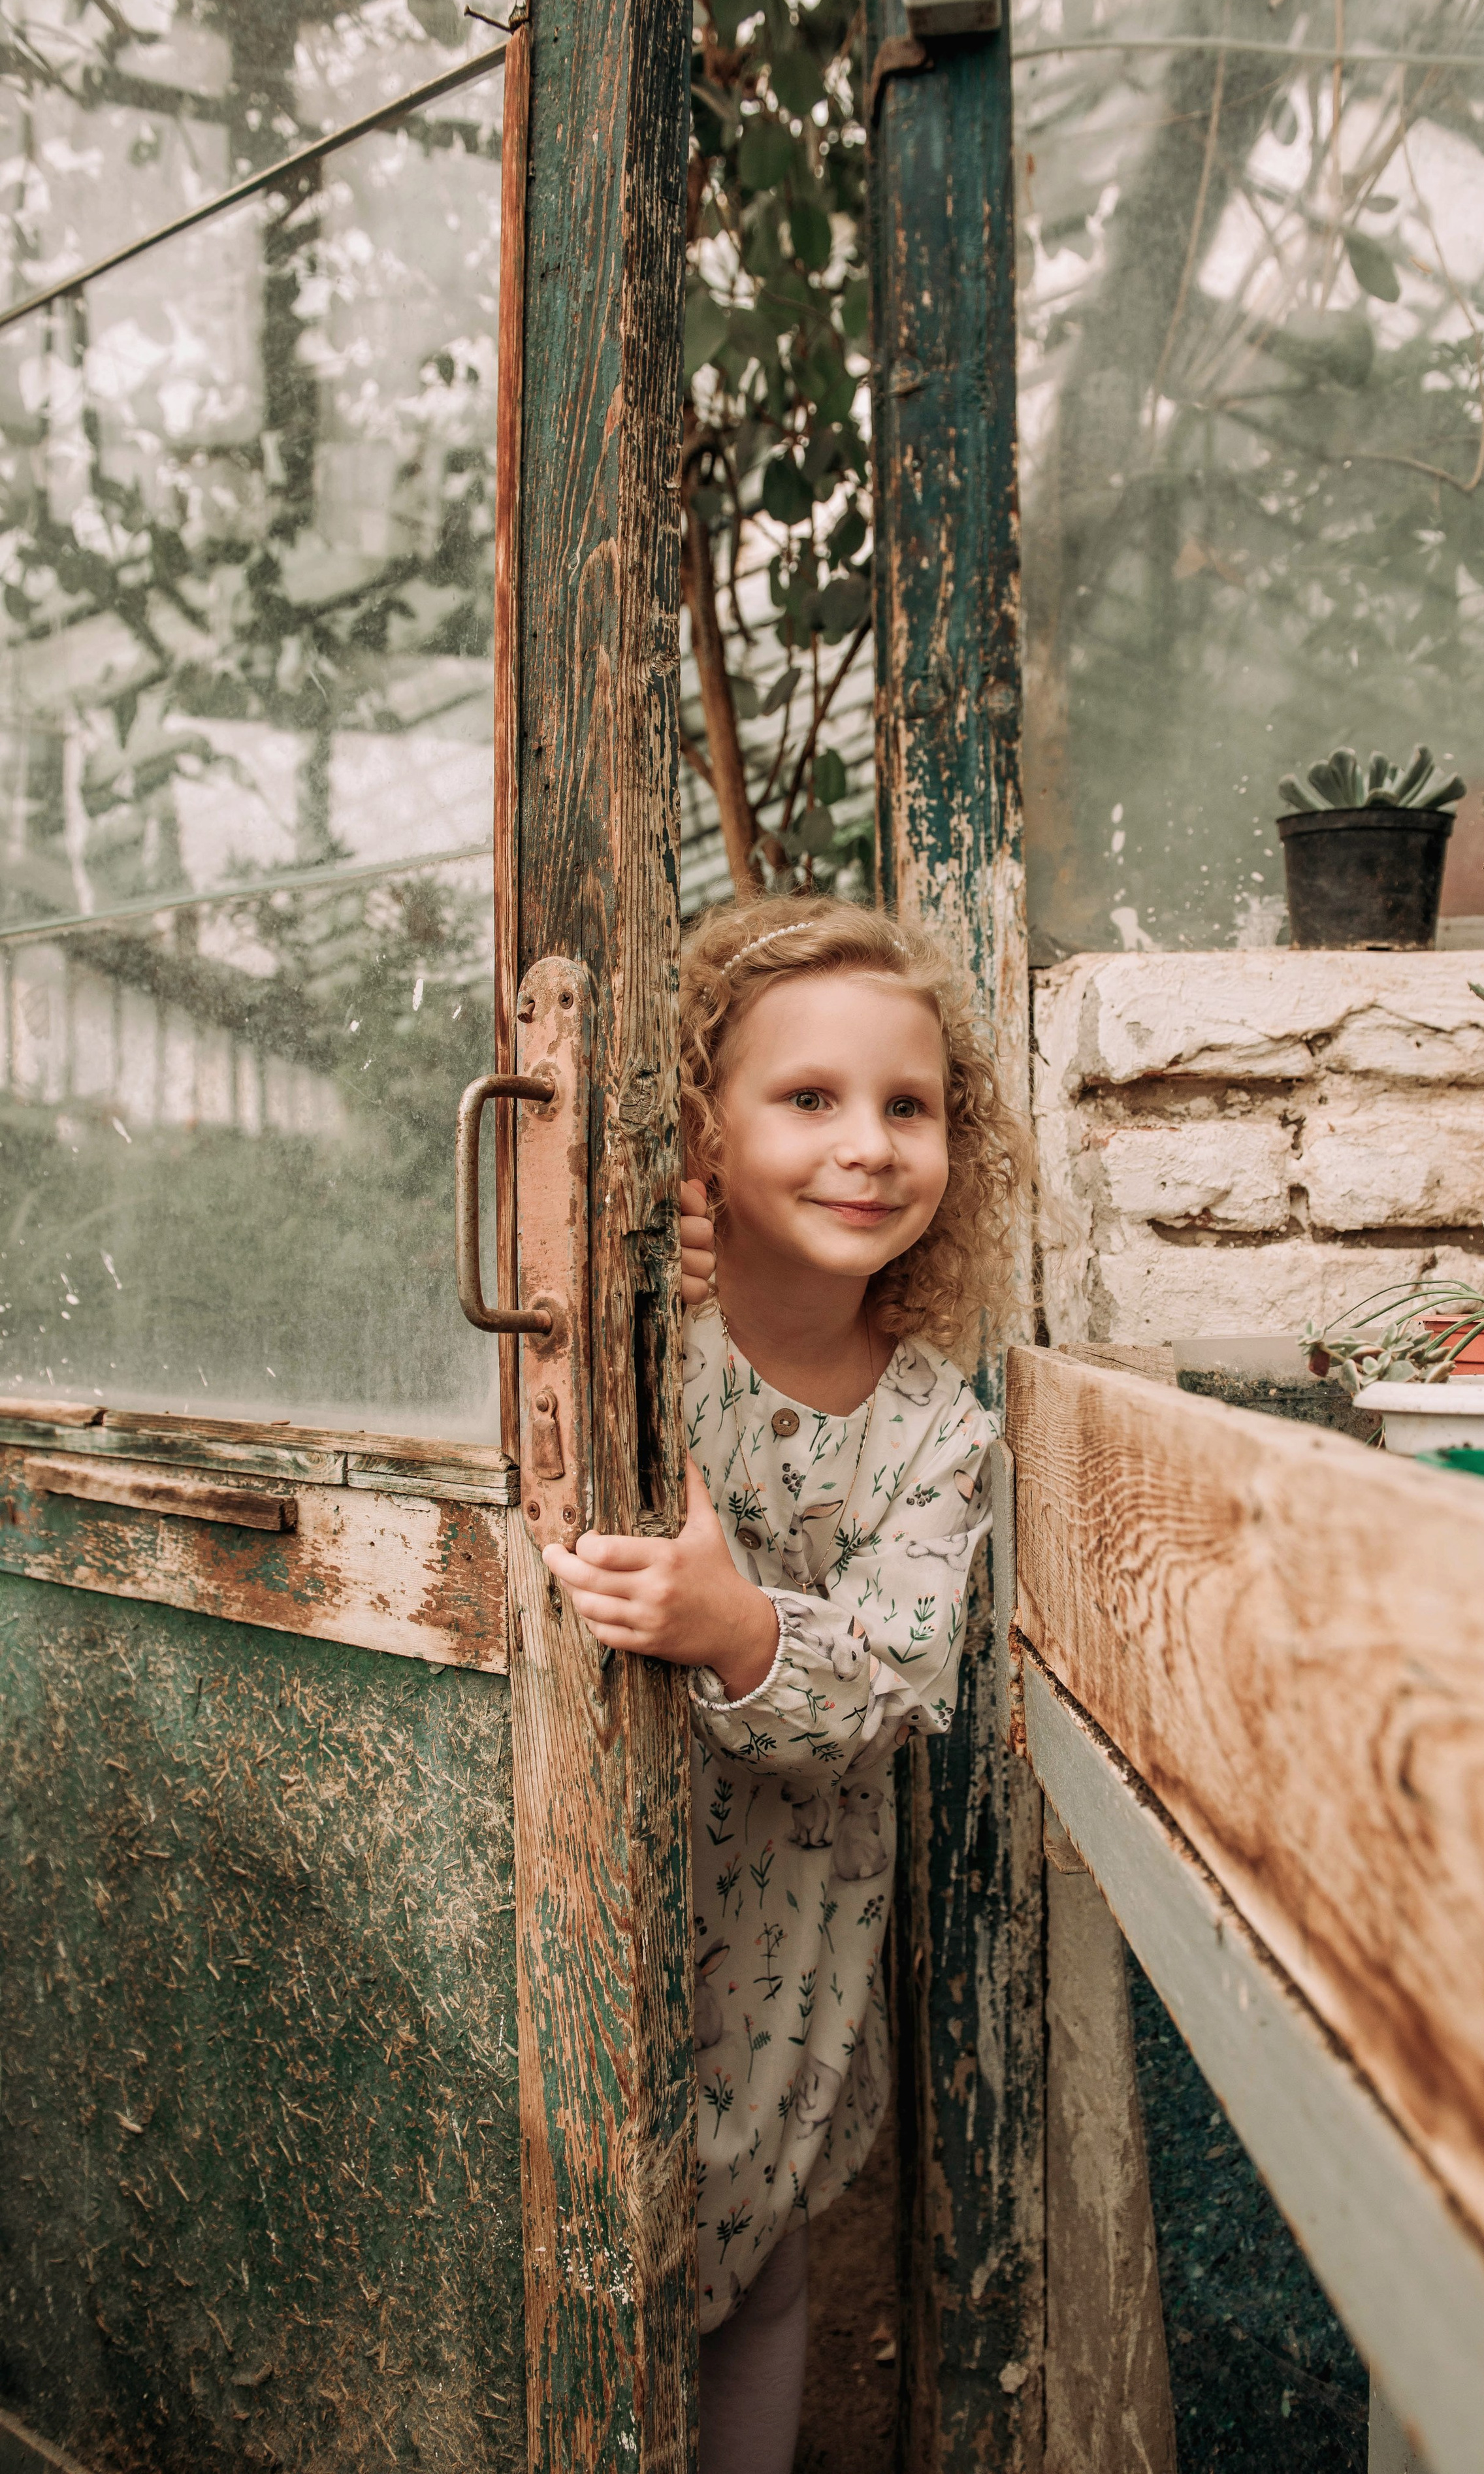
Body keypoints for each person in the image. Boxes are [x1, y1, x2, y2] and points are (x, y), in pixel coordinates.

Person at [543, 894, 1031, 2474]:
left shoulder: (934, 1428)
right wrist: (648, 1267)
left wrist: (734, 1623)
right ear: (702, 1134)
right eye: (806, 1099)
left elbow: (895, 1680)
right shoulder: (643, 1340)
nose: (868, 1145)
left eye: (907, 1106)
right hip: (591, 1878)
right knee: (563, 2261)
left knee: (752, 2277)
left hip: (788, 1928)